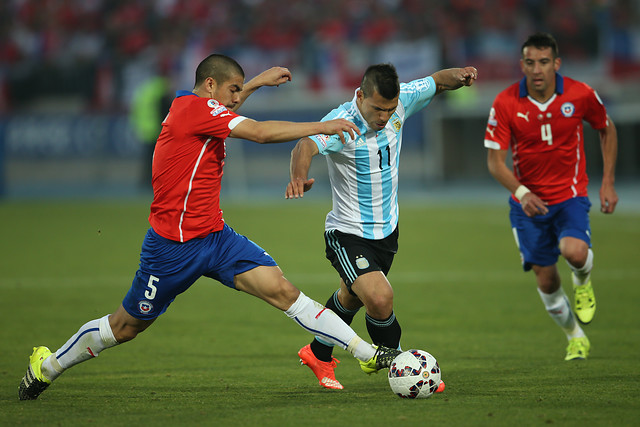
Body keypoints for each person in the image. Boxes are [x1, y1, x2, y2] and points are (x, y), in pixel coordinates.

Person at [18, 54, 402, 401]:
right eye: (233, 89)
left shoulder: (201, 109)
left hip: (217, 240)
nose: (237, 97)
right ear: (210, 86)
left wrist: (253, 84)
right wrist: (326, 124)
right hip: (171, 248)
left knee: (284, 291)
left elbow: (227, 107)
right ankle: (47, 367)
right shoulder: (191, 110)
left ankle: (367, 354)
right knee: (124, 326)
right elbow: (261, 133)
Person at [285, 63, 478, 389]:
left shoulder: (401, 101)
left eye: (389, 110)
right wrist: (298, 177)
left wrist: (460, 75)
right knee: (379, 297)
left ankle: (318, 353)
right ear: (360, 95)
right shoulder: (341, 122)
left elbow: (437, 82)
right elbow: (305, 145)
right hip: (346, 234)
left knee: (351, 297)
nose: (384, 116)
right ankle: (403, 366)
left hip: (386, 233)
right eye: (377, 108)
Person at [483, 33, 618, 361]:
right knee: (546, 280)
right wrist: (522, 192)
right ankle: (575, 336)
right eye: (530, 62)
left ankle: (583, 281)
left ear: (556, 63)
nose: (537, 69)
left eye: (544, 62)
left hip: (569, 195)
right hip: (526, 206)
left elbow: (606, 128)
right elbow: (494, 162)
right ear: (522, 65)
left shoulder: (579, 93)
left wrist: (608, 182)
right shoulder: (505, 102)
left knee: (573, 252)